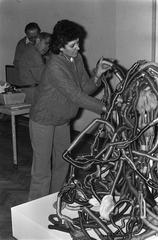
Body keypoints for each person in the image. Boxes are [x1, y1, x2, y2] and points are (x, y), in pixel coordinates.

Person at [28, 19, 110, 201]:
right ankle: (34, 209)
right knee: (42, 172)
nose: (78, 48)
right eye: (73, 45)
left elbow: (84, 89)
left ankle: (54, 202)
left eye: (78, 43)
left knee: (62, 164)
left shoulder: (76, 58)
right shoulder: (54, 66)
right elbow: (76, 96)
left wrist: (97, 73)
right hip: (43, 120)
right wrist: (105, 108)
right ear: (60, 46)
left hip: (62, 120)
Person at [17, 32, 51, 104]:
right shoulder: (35, 54)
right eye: (46, 43)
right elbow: (42, 77)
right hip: (34, 93)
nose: (47, 48)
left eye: (49, 45)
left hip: (27, 91)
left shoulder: (29, 51)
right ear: (38, 40)